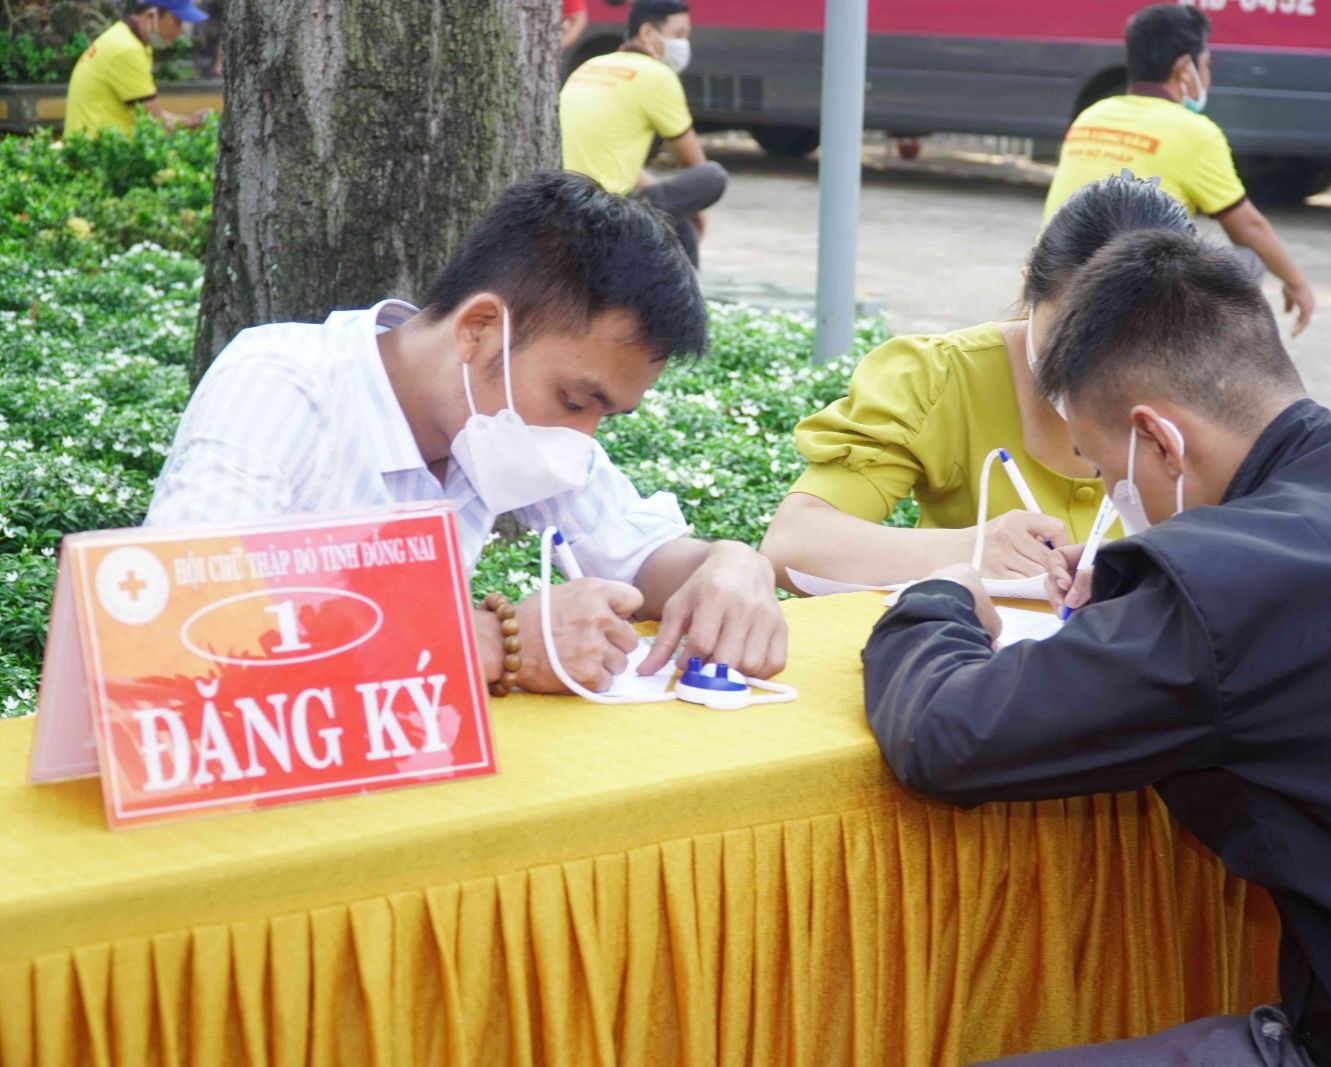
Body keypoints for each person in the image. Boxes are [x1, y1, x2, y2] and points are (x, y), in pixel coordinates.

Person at [861, 230, 1331, 1065]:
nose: (1116, 501)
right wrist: (1146, 587)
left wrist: (939, 599)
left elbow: (944, 732)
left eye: (1105, 473)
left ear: (1160, 440)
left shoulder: (1236, 585)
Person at [146, 172, 786, 693]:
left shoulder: (500, 422)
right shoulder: (279, 384)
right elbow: (180, 623)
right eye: (574, 400)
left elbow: (641, 556)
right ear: (479, 329)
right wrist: (494, 644)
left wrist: (728, 564)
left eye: (605, 415)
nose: (582, 437)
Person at [760, 175, 1194, 591]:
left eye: (1134, 350)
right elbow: (792, 545)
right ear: (1028, 289)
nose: (1097, 377)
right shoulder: (939, 377)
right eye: (1073, 342)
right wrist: (967, 550)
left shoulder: (1208, 395)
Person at [1042, 3, 1316, 336]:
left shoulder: (1093, 115)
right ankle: (1196, 355)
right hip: (1126, 304)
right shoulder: (1195, 132)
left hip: (1052, 291)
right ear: (1185, 68)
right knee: (1249, 259)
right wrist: (1296, 284)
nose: (1208, 76)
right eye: (1206, 64)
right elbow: (1248, 228)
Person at [560, 0, 727, 267]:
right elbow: (693, 162)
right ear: (647, 33)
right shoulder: (657, 75)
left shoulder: (592, 65)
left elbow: (602, 148)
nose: (683, 44)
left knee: (677, 227)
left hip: (561, 202)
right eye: (678, 35)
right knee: (713, 176)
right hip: (605, 213)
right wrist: (696, 211)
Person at [65, 0, 211, 136]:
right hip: (97, 148)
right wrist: (191, 122)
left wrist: (188, 121)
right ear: (151, 15)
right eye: (177, 21)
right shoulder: (127, 49)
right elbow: (156, 120)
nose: (179, 31)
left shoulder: (125, 37)